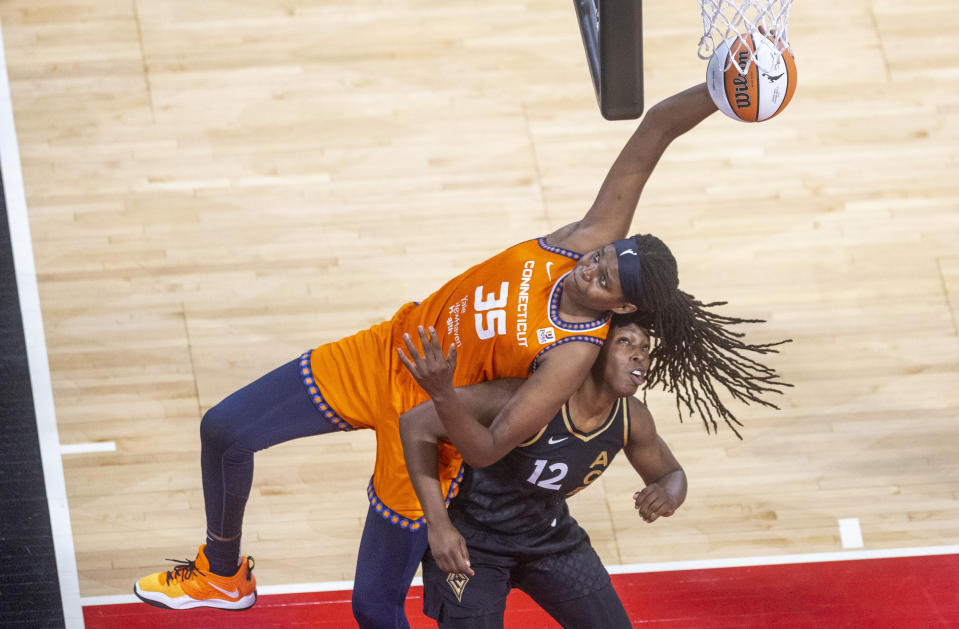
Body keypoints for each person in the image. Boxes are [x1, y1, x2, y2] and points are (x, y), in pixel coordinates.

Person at [133, 83, 787, 627]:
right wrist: (719, 86)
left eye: (604, 277)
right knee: (223, 429)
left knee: (374, 606)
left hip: (429, 419)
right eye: (601, 256)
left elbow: (485, 448)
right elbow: (653, 131)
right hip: (388, 350)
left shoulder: (566, 357)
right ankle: (221, 573)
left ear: (618, 309)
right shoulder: (578, 242)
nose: (592, 266)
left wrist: (442, 388)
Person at [397, 317, 686, 627]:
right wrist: (438, 526)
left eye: (645, 347)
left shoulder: (633, 418)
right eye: (625, 342)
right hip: (474, 541)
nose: (639, 354)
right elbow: (416, 424)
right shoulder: (527, 396)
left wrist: (668, 494)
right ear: (595, 351)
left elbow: (671, 473)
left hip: (548, 537)